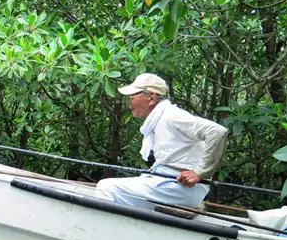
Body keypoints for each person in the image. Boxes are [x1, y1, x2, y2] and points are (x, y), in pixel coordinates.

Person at [95, 72, 228, 212]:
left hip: (180, 187)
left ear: (151, 97)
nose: (129, 102)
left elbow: (217, 132)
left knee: (106, 188)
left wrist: (200, 173)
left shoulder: (172, 116)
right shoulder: (159, 119)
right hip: (169, 183)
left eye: (132, 96)